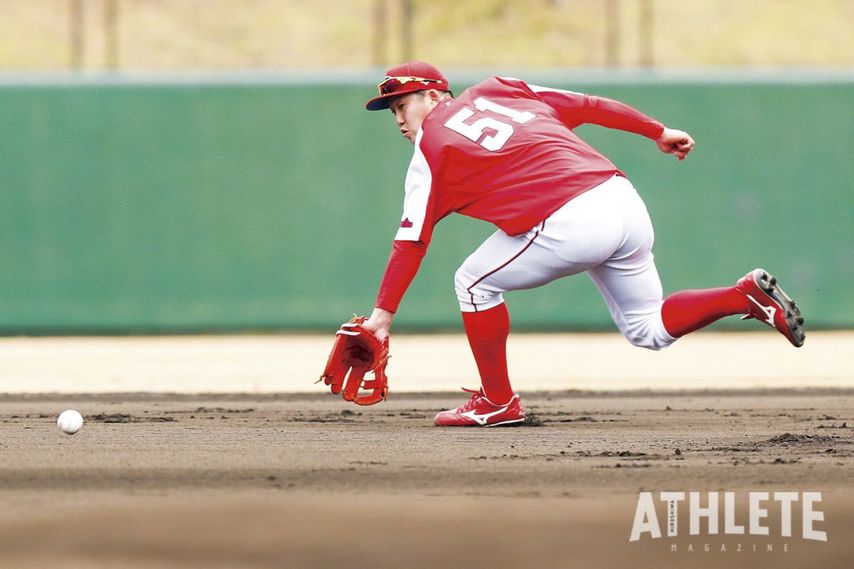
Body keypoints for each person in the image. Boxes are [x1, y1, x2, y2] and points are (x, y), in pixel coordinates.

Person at [358, 61, 804, 427]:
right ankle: (741, 296)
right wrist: (657, 130)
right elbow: (588, 106)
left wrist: (382, 318)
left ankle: (497, 401)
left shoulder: (429, 149)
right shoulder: (499, 88)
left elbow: (410, 243)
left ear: (434, 96)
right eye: (393, 110)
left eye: (402, 105)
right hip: (621, 199)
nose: (398, 119)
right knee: (648, 329)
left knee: (473, 283)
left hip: (570, 219)